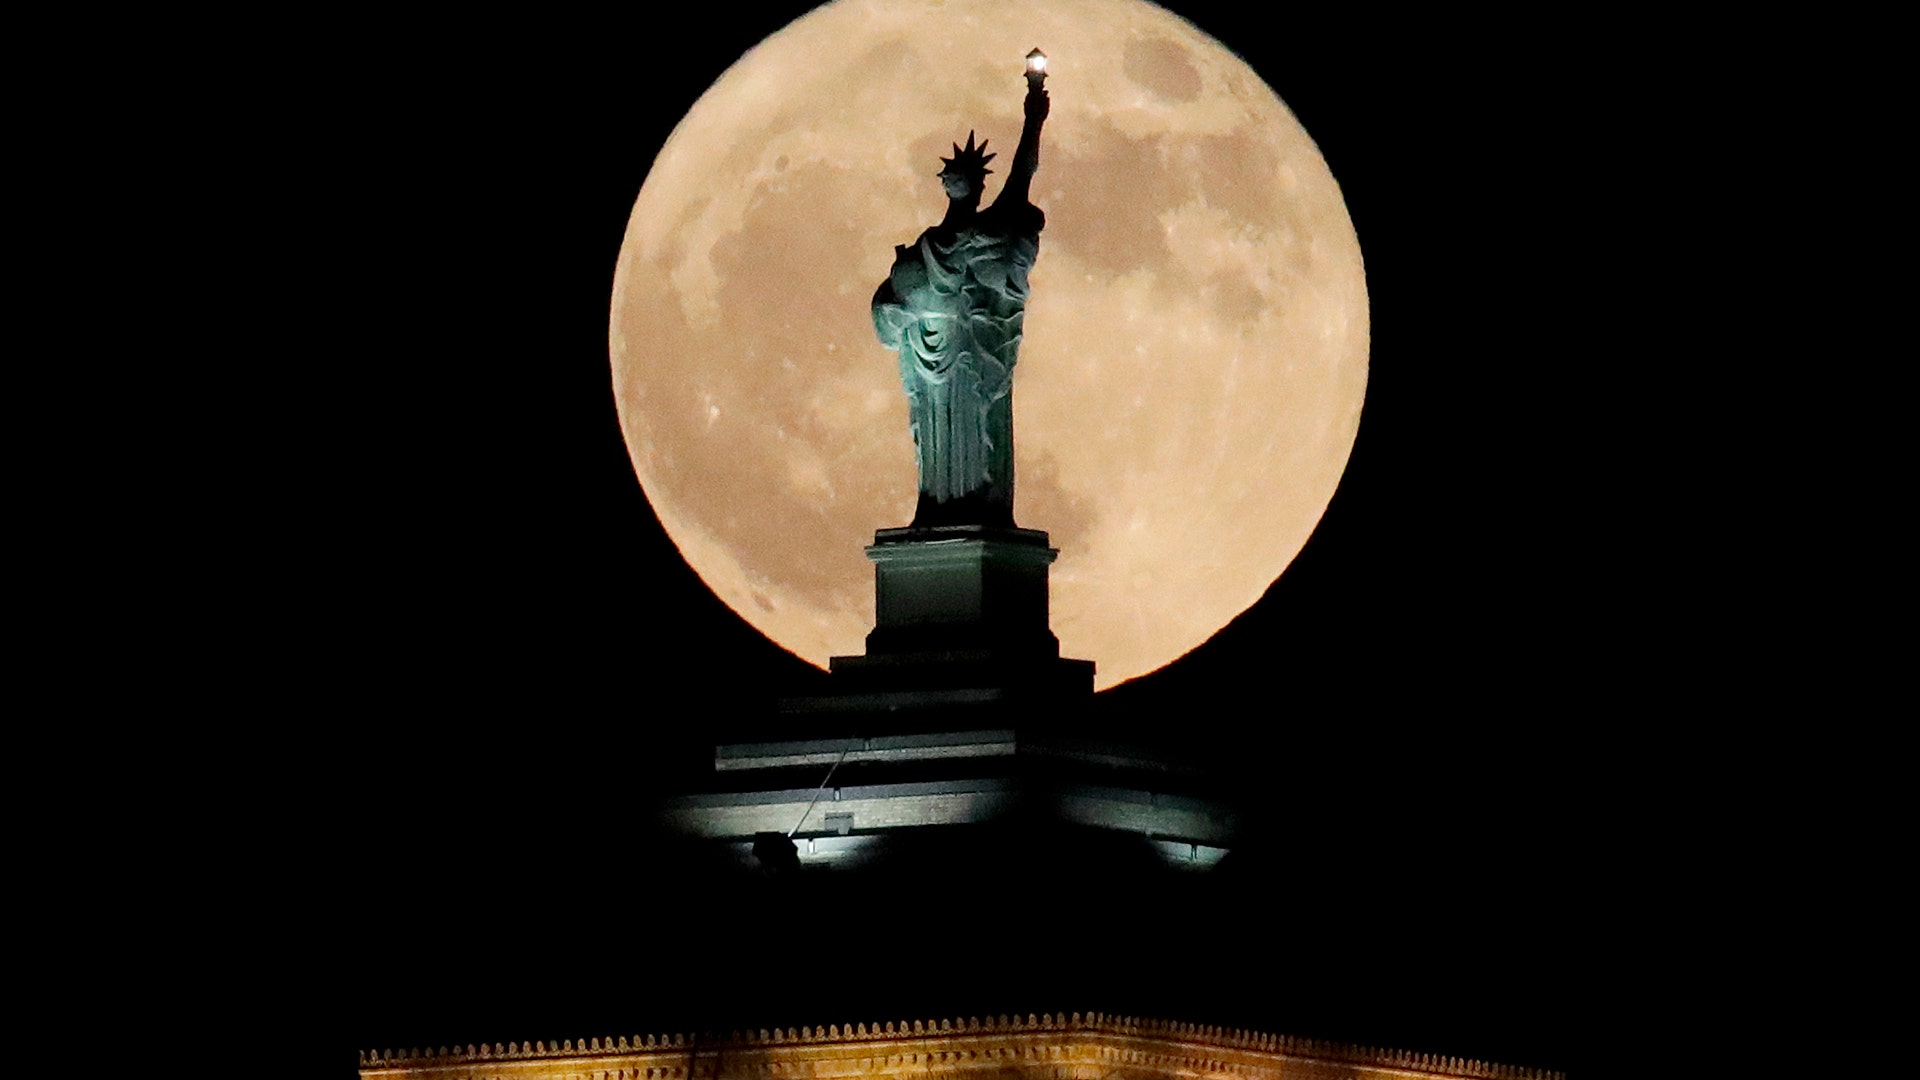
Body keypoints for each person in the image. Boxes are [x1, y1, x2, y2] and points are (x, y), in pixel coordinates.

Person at [872, 74, 1049, 528]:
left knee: (971, 434)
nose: (955, 182)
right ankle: (939, 508)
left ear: (971, 186)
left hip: (969, 355)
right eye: (952, 176)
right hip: (940, 366)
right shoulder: (930, 242)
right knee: (936, 441)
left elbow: (1022, 173)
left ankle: (971, 506)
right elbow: (892, 309)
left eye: (960, 177)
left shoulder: (985, 232)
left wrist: (1033, 119)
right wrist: (897, 307)